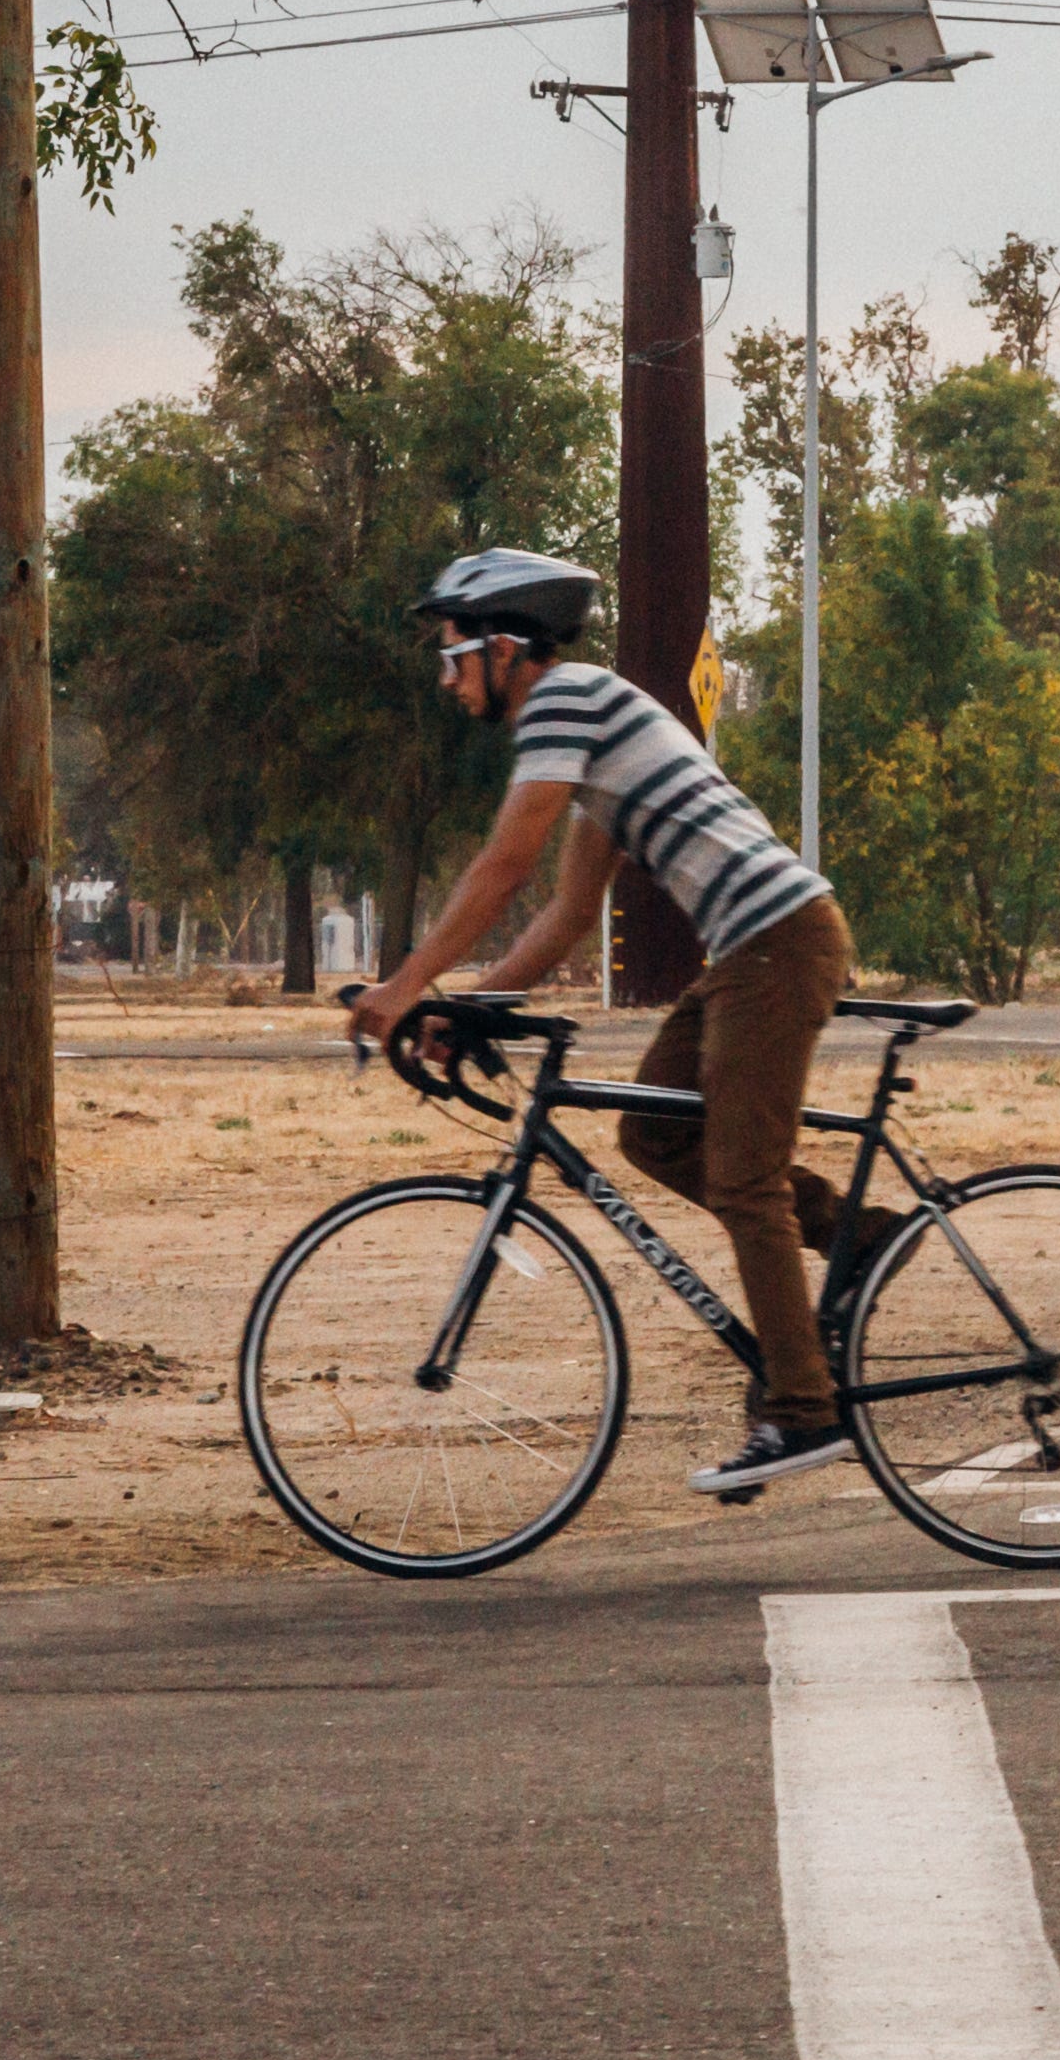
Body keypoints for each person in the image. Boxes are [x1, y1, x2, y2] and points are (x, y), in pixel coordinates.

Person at [349, 548, 874, 1498]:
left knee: (742, 1179)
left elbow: (504, 866)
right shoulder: (592, 737)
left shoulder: (566, 702)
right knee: (654, 1132)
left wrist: (401, 986)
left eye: (451, 654)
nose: (445, 677)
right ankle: (859, 1239)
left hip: (779, 941)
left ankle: (802, 1409)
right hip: (750, 950)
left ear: (505, 648)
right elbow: (560, 915)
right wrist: (472, 1005)